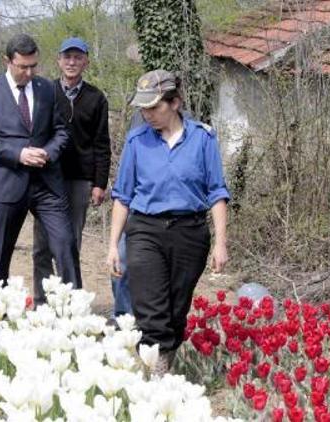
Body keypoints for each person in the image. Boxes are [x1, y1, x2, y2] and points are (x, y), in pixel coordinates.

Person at [106, 70, 230, 375]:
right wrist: (112, 245)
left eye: (154, 107)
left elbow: (216, 192)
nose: (147, 114)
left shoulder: (202, 139)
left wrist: (221, 242)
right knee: (150, 304)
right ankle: (155, 373)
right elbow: (123, 196)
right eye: (143, 108)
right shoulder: (137, 142)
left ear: (175, 102)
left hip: (189, 232)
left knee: (176, 307)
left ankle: (165, 359)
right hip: (145, 229)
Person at [0, 34, 81, 289]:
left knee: (65, 245)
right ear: (7, 61)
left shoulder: (47, 89)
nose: (29, 73)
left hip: (47, 185)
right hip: (6, 183)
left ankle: (74, 312)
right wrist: (18, 154)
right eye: (23, 67)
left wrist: (48, 153)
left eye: (34, 66)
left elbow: (61, 131)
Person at [32, 37, 111, 305]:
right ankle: (43, 300)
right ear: (58, 60)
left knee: (70, 242)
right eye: (67, 57)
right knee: (42, 243)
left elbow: (102, 143)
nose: (72, 62)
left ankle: (70, 301)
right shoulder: (45, 91)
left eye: (78, 57)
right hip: (45, 176)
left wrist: (99, 183)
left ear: (86, 61)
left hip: (79, 179)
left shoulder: (96, 98)